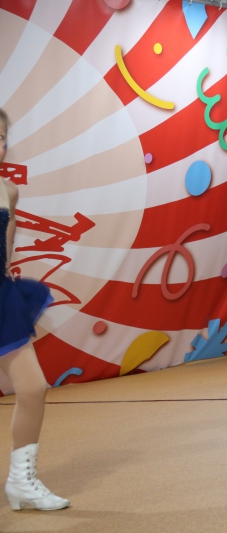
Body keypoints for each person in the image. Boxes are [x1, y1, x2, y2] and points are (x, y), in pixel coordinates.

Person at [0, 108, 69, 511]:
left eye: (1, 137)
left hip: (0, 298)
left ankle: (21, 483)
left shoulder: (8, 190)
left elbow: (6, 249)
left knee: (32, 387)